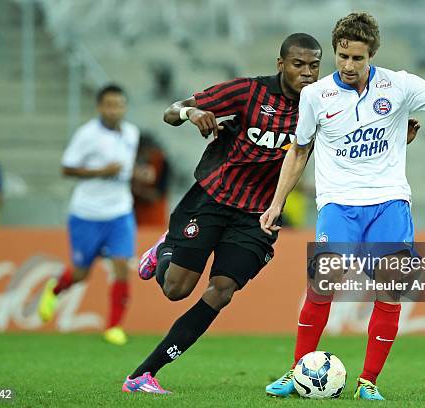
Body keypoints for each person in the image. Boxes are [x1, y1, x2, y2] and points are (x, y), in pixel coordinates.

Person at [260, 12, 425, 400]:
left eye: (357, 58)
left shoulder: (399, 86)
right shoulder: (315, 96)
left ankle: (368, 382)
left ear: (372, 56)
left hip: (389, 204)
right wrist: (276, 203)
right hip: (338, 205)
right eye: (342, 56)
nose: (348, 65)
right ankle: (298, 373)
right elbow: (299, 152)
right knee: (323, 285)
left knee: (390, 290)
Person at [121, 33, 324, 395]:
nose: (307, 73)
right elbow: (171, 110)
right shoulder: (248, 92)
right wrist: (192, 112)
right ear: (281, 65)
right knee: (176, 289)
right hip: (213, 199)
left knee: (222, 290)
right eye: (298, 65)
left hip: (258, 215)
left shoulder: (322, 104)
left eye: (313, 66)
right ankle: (165, 248)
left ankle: (143, 374)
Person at [38, 84, 140, 346]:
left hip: (120, 211)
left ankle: (113, 327)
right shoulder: (87, 134)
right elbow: (67, 169)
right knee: (82, 273)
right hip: (87, 213)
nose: (114, 110)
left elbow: (124, 171)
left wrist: (139, 175)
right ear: (99, 107)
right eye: (109, 105)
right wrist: (100, 172)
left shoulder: (131, 133)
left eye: (118, 104)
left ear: (124, 107)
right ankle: (55, 288)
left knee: (120, 266)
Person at [132, 132, 170, 227]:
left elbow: (158, 195)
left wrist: (137, 191)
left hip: (154, 218)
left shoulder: (161, 162)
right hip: (135, 218)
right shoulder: (129, 162)